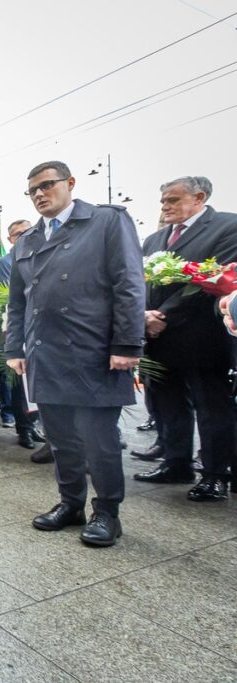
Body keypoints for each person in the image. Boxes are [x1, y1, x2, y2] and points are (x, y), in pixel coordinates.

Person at [6, 160, 144, 547]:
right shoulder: (29, 239)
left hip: (94, 351)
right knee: (61, 438)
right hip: (45, 354)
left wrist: (127, 344)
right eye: (32, 190)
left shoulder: (105, 221)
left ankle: (107, 513)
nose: (39, 194)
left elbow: (129, 283)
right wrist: (15, 347)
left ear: (70, 183)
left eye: (47, 185)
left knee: (99, 441)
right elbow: (18, 303)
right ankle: (71, 504)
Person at [134, 177, 237, 501]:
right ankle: (175, 462)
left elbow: (215, 277)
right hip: (158, 338)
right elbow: (136, 282)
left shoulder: (226, 227)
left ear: (199, 197)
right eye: (163, 201)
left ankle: (215, 474)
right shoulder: (153, 239)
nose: (165, 207)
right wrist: (144, 316)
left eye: (173, 200)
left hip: (202, 337)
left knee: (212, 407)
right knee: (168, 403)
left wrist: (162, 314)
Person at [0, 219, 48, 459]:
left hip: (47, 333)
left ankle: (38, 427)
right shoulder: (5, 262)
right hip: (19, 331)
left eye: (27, 231)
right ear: (10, 239)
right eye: (17, 234)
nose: (23, 236)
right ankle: (23, 428)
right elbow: (7, 296)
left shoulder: (46, 251)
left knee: (41, 386)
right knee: (19, 387)